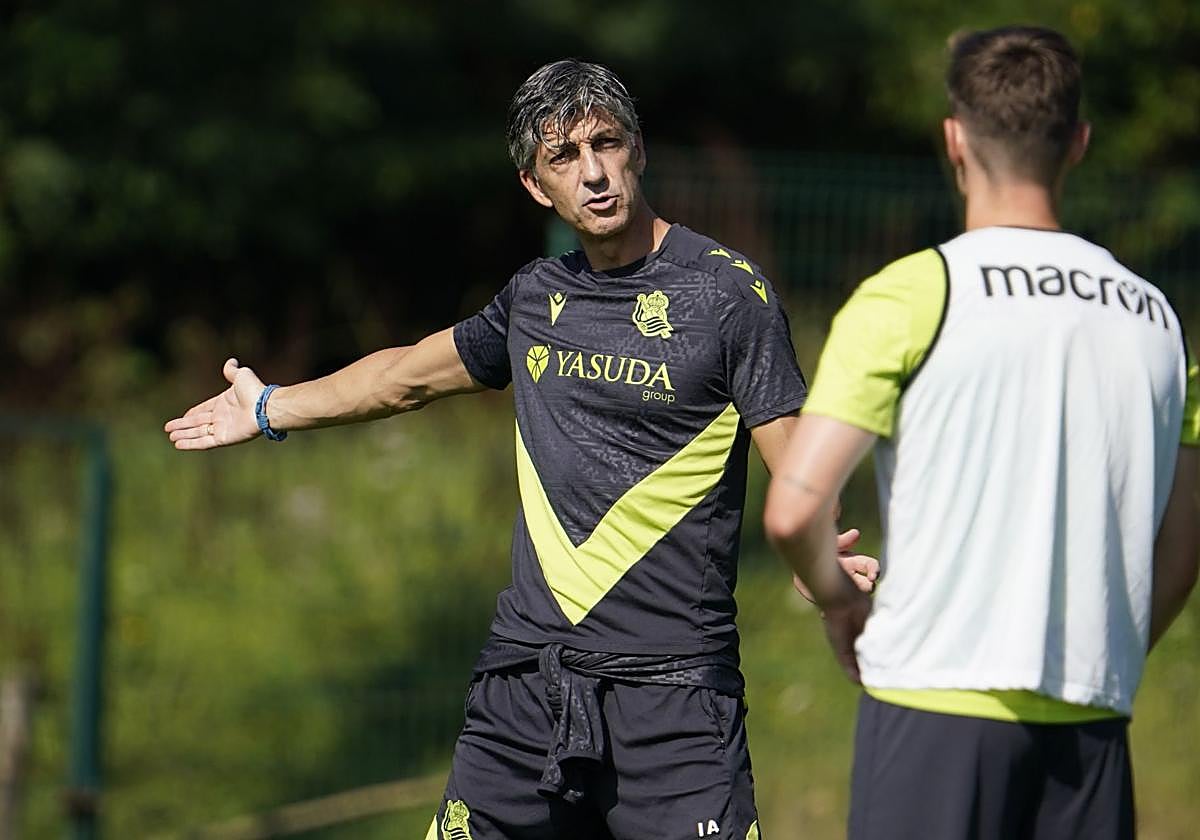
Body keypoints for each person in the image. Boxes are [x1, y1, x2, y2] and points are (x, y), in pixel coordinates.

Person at [166, 59, 872, 840]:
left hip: (673, 696)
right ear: (536, 185)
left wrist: (816, 564)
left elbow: (800, 474)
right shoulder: (535, 297)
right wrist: (270, 406)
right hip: (526, 685)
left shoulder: (727, 294)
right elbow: (403, 379)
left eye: (606, 144)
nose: (593, 173)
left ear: (638, 150)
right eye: (563, 157)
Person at [763, 25, 1200, 840]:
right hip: (1092, 726)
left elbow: (793, 511)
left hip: (932, 710)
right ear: (1078, 143)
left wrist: (839, 602)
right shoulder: (1158, 321)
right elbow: (1180, 554)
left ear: (954, 140)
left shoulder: (911, 294)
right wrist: (1104, 657)